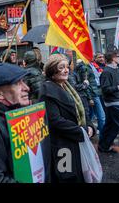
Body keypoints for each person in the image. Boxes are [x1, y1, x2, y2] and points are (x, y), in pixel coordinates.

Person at [39, 54, 95, 183]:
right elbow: (55, 121)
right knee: (66, 176)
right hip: (62, 146)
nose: (66, 70)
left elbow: (79, 109)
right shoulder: (47, 89)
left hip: (74, 140)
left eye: (67, 67)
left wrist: (90, 126)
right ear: (52, 70)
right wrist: (81, 131)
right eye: (61, 67)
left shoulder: (67, 86)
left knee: (78, 174)